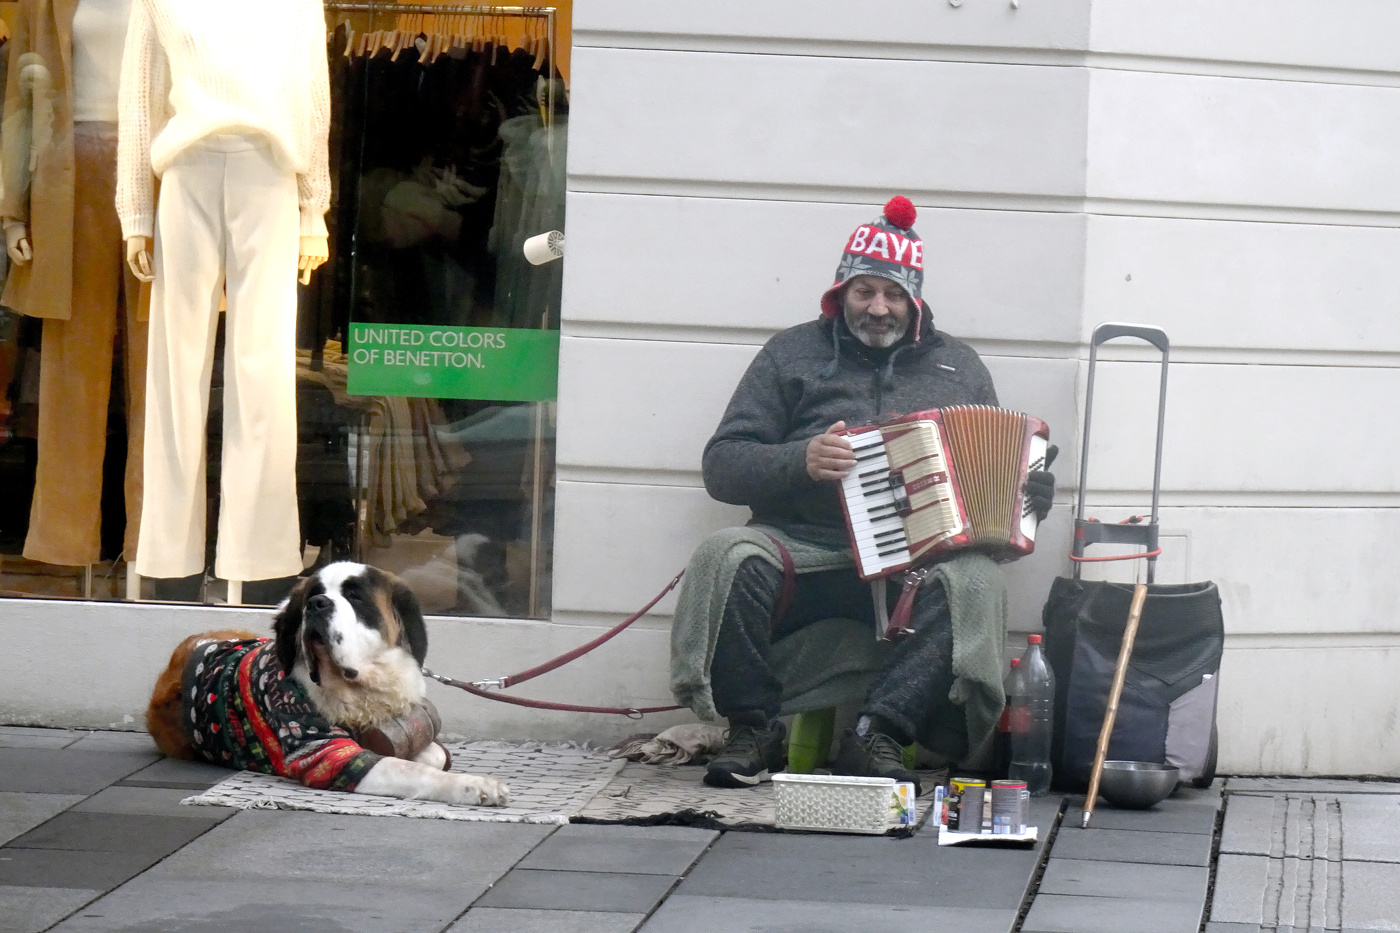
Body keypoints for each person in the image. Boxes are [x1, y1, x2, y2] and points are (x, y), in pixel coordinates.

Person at [688, 196, 1056, 790]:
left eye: (892, 295)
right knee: (727, 555)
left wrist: (1028, 493)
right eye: (863, 292)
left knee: (977, 581)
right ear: (839, 295)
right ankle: (753, 729)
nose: (877, 308)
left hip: (914, 567)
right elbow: (722, 466)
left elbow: (990, 492)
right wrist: (799, 461)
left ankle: (880, 734)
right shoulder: (791, 353)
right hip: (804, 552)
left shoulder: (960, 367)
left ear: (914, 300)